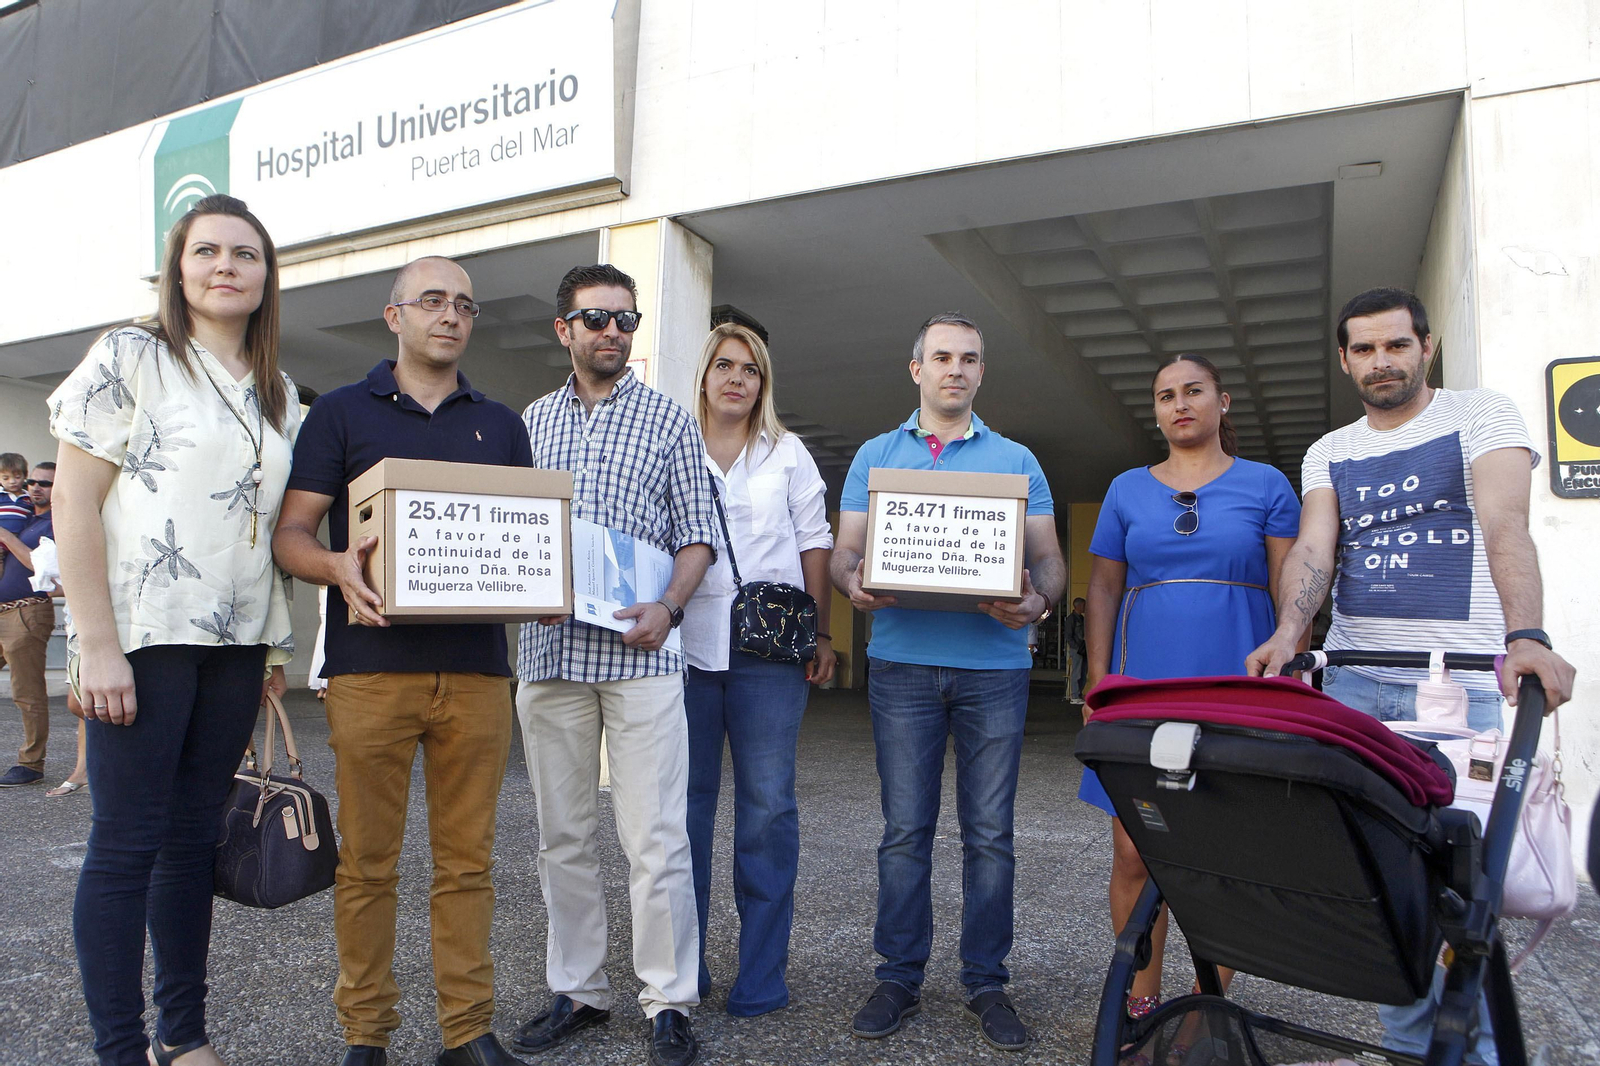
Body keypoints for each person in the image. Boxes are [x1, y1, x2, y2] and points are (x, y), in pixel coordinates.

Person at [1248, 287, 1576, 1065]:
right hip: (1359, 683)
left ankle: (1472, 1049)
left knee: (1463, 893)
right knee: (1379, 892)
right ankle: (1409, 1047)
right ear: (1345, 360)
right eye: (1363, 349)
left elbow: (1505, 524)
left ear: (1425, 348)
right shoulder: (1330, 448)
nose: (1380, 361)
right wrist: (1288, 636)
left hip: (1459, 686)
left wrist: (1526, 637)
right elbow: (1318, 549)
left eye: (1395, 345)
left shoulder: (1481, 414)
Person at [49, 194, 299, 1066]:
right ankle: (119, 1049)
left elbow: (263, 533)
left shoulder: (279, 395)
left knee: (193, 840)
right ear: (178, 268)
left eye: (246, 254)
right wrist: (97, 642)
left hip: (232, 647)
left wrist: (270, 647)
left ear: (268, 277)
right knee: (126, 842)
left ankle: (182, 1039)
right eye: (208, 251)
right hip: (142, 634)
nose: (227, 266)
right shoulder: (133, 356)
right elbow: (73, 502)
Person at [272, 256, 534, 1066]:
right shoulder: (342, 414)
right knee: (367, 864)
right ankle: (366, 1035)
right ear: (394, 318)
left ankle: (468, 1031)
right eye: (431, 301)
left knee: (468, 866)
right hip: (370, 668)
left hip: (479, 672)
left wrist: (541, 573)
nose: (449, 315)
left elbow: (525, 537)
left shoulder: (501, 423)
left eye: (463, 303)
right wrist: (337, 564)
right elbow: (291, 537)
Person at [831, 312, 1065, 1053]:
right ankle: (899, 974)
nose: (954, 369)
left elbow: (1049, 559)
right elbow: (845, 554)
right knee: (905, 832)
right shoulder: (876, 455)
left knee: (990, 836)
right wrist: (853, 585)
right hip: (900, 665)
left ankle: (986, 983)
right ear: (917, 370)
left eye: (968, 358)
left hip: (995, 668)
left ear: (981, 372)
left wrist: (1040, 601)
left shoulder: (1018, 459)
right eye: (941, 357)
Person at [511, 265, 716, 1066]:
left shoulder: (667, 420)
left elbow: (697, 534)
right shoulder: (527, 421)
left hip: (643, 657)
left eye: (626, 322)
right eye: (596, 319)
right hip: (551, 652)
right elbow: (513, 531)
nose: (612, 334)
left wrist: (668, 607)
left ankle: (669, 999)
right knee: (561, 834)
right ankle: (579, 990)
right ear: (564, 329)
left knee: (656, 837)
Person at [1079, 353, 1300, 1027]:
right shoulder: (1125, 489)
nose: (1180, 404)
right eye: (1166, 395)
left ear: (1222, 401)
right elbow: (1105, 587)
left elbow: (1292, 588)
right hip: (1144, 684)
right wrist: (1096, 681)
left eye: (1194, 391)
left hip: (1237, 685)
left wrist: (1287, 674)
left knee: (1223, 855)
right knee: (1134, 849)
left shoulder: (1266, 485)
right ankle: (1139, 1003)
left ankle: (1208, 1011)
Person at [681, 323, 834, 1016]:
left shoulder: (788, 452)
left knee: (767, 814)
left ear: (762, 380)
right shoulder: (674, 446)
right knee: (682, 814)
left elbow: (814, 542)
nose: (736, 378)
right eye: (724, 366)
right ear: (705, 376)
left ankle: (762, 976)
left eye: (749, 368)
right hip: (681, 652)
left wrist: (822, 631)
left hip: (768, 656)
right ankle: (682, 971)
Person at [0, 462, 57, 787]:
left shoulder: (55, 521)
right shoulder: (23, 516)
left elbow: (40, 565)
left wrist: (6, 537)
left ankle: (31, 763)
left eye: (45, 484)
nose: (35, 487)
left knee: (26, 692)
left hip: (26, 612)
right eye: (32, 481)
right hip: (3, 612)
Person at [1064, 597, 1087, 703]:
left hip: (1083, 649)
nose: (1085, 607)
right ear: (1078, 606)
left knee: (1083, 672)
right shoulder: (1071, 619)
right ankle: (1074, 695)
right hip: (1077, 649)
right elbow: (1068, 636)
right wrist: (1076, 647)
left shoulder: (1082, 619)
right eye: (1083, 605)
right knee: (1076, 672)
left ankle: (1079, 693)